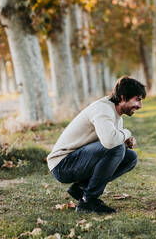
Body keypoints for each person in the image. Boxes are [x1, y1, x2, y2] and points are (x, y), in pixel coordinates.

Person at [47, 76, 146, 214]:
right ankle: (88, 201)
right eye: (137, 99)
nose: (140, 106)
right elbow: (110, 142)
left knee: (131, 157)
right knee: (115, 148)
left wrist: (125, 140)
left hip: (77, 159)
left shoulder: (116, 113)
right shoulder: (102, 109)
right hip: (62, 164)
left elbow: (112, 139)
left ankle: (81, 188)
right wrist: (126, 133)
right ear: (123, 98)